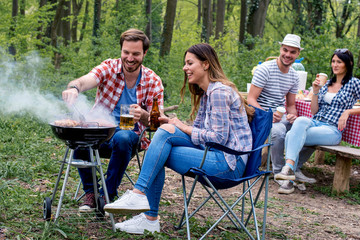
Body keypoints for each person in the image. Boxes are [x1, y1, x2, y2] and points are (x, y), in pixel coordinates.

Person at [102, 43, 255, 234]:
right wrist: (173, 124)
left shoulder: (218, 92)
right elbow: (201, 131)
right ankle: (144, 207)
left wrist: (181, 126)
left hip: (228, 165)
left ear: (206, 64)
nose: (185, 68)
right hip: (215, 154)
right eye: (185, 63)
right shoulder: (208, 93)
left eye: (190, 63)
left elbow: (219, 138)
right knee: (163, 134)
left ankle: (143, 205)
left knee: (160, 149)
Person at [62, 28, 164, 212]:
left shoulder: (153, 80)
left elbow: (156, 124)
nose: (130, 58)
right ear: (121, 51)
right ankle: (91, 193)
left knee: (123, 137)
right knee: (78, 139)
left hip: (130, 138)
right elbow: (86, 80)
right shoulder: (109, 67)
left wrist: (143, 115)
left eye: (136, 54)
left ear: (144, 53)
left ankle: (106, 195)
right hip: (99, 132)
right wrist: (74, 88)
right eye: (126, 52)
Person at [275, 49, 360, 182]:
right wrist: (315, 92)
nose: (335, 65)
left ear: (348, 64)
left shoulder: (354, 83)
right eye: (333, 61)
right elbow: (314, 111)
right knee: (301, 120)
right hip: (316, 122)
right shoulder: (327, 84)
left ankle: (288, 174)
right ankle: (291, 170)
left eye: (339, 62)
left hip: (332, 130)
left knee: (292, 135)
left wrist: (348, 111)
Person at [247, 33, 316, 194]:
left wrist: (292, 115)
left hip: (279, 116)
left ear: (298, 54)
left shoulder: (293, 75)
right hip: (260, 115)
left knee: (305, 127)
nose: (288, 55)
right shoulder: (265, 69)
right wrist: (267, 115)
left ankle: (293, 167)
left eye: (293, 52)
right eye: (285, 50)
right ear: (280, 49)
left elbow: (291, 105)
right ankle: (279, 173)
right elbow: (250, 99)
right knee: (278, 131)